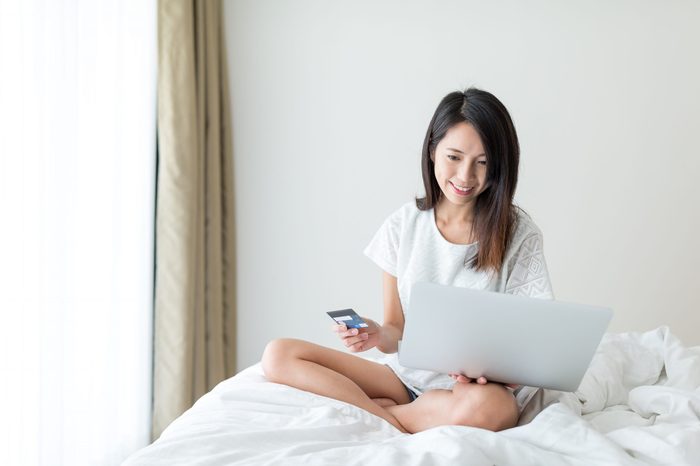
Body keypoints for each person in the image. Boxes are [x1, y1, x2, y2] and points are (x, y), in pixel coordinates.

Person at [262, 88, 554, 434]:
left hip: (474, 390)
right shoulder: (403, 225)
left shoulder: (519, 233)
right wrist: (375, 334)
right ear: (432, 151)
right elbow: (396, 333)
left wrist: (488, 372)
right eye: (454, 157)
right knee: (278, 354)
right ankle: (394, 415)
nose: (465, 177)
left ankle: (394, 416)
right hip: (403, 379)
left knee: (494, 408)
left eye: (483, 162)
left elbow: (532, 341)